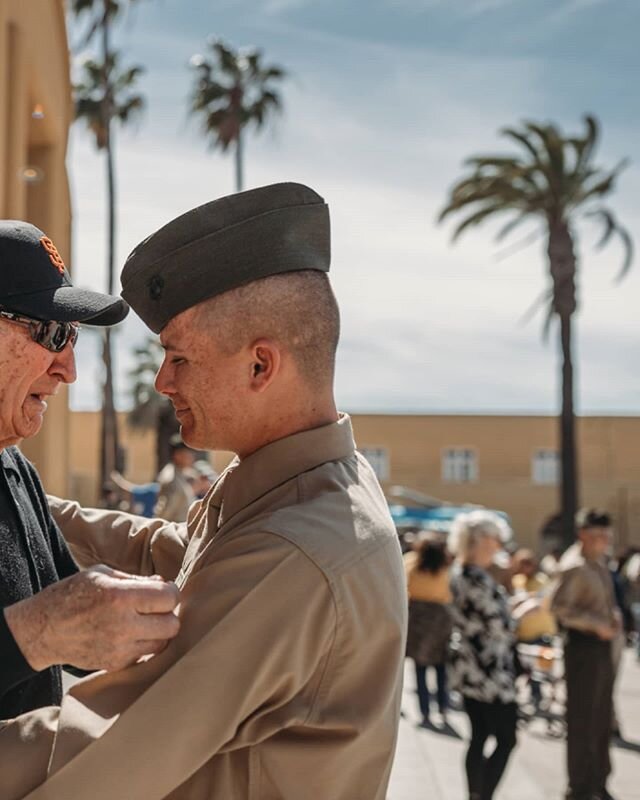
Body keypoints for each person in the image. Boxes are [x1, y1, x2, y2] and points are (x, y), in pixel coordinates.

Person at [0, 183, 408, 800]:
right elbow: (176, 553)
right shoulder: (307, 487)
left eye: (179, 358)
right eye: (51, 333)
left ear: (260, 366)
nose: (162, 382)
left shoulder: (291, 548)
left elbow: (96, 755)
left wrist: (33, 634)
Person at [0, 220, 181, 719]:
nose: (69, 369)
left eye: (72, 335)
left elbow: (78, 642)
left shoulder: (14, 467)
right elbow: (49, 631)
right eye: (51, 332)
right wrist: (38, 633)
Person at [448, 510, 518, 800]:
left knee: (479, 736)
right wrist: (522, 612)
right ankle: (483, 795)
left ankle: (475, 794)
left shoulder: (461, 573)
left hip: (470, 666)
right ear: (482, 541)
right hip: (489, 670)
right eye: (496, 539)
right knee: (506, 739)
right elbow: (500, 626)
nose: (499, 546)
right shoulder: (476, 578)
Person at [551, 508, 620, 800]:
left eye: (606, 536)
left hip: (601, 646)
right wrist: (596, 624)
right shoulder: (574, 565)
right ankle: (579, 786)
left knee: (602, 716)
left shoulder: (598, 562)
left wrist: (612, 617)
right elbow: (559, 607)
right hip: (583, 646)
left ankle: (598, 781)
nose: (604, 541)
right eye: (598, 536)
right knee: (582, 718)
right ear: (583, 535)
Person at [404, 534, 453, 726]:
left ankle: (424, 710)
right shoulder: (445, 567)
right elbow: (450, 593)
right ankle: (443, 706)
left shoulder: (411, 563)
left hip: (417, 616)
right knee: (441, 665)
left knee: (420, 666)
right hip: (440, 617)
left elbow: (402, 585)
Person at [154, 434, 196, 521]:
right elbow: (163, 515)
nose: (191, 457)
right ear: (177, 455)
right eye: (188, 453)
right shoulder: (171, 478)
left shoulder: (180, 473)